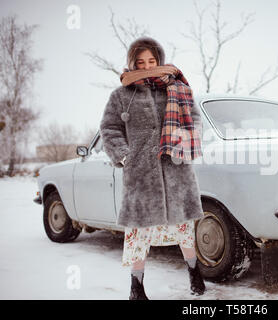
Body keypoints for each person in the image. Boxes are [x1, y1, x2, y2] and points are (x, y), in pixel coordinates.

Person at [99, 36, 206, 300]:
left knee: (184, 230)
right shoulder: (121, 95)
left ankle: (194, 272)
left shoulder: (176, 88)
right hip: (141, 175)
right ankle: (137, 288)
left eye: (152, 61)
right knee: (138, 234)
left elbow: (194, 120)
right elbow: (109, 128)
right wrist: (125, 156)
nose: (147, 66)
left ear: (159, 60)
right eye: (140, 62)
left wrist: (182, 144)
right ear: (132, 64)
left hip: (176, 170)